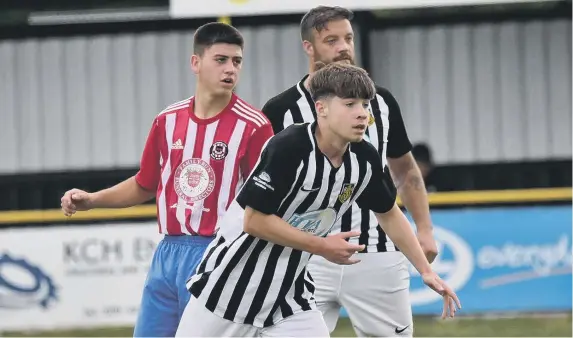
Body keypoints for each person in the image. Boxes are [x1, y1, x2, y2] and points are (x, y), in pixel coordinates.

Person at [175, 63, 460, 337]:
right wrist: (322, 246)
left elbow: (388, 212)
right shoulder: (289, 147)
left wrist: (424, 270)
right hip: (229, 289)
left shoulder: (365, 158)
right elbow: (254, 221)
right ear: (320, 108)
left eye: (365, 104)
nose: (362, 114)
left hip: (289, 296)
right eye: (350, 105)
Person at [59, 22, 274, 337]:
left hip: (219, 253)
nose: (230, 69)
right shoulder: (166, 120)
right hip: (168, 253)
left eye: (237, 61)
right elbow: (145, 184)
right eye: (221, 59)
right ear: (195, 63)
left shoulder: (254, 126)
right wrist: (92, 200)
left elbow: (268, 201)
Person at [261, 6, 439, 337]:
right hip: (304, 258)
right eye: (331, 40)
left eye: (348, 38)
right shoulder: (279, 110)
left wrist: (424, 228)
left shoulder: (381, 102)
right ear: (308, 47)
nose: (343, 47)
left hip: (377, 252)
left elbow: (404, 168)